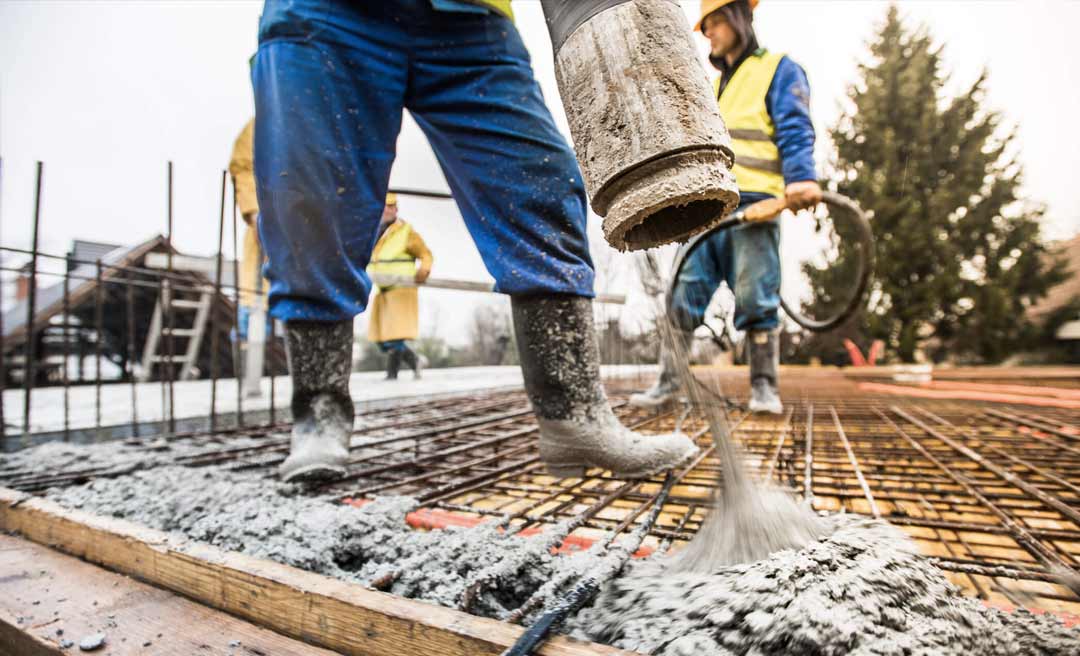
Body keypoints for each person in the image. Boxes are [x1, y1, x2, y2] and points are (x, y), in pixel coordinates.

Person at [253, 0, 700, 483]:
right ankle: (319, 415)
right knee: (314, 201)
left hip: (470, 19)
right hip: (328, 14)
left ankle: (574, 414)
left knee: (540, 183)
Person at [630, 0, 822, 415]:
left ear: (739, 19)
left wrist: (801, 178)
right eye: (707, 27)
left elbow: (794, 126)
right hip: (708, 206)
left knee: (756, 297)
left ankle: (765, 388)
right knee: (682, 295)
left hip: (756, 205)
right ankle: (668, 385)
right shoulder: (713, 87)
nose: (710, 33)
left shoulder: (777, 68)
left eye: (716, 23)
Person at [366, 193, 433, 380]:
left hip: (402, 288)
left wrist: (424, 270)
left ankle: (391, 376)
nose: (387, 210)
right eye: (384, 206)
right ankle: (415, 361)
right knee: (381, 339)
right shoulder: (375, 231)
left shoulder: (405, 231)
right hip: (382, 288)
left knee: (395, 336)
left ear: (396, 209)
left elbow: (426, 254)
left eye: (391, 206)